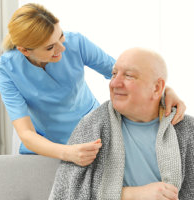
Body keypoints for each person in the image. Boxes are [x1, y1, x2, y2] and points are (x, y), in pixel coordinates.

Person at [0, 3, 185, 166]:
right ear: (24, 50)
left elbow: (122, 73)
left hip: (92, 131)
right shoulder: (6, 69)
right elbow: (25, 133)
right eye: (50, 47)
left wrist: (163, 90)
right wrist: (67, 153)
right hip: (47, 144)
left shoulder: (76, 42)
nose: (62, 48)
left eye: (60, 36)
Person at [49, 48, 193, 200]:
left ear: (157, 88)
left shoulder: (187, 130)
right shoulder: (91, 127)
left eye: (129, 76)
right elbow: (65, 193)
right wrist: (131, 195)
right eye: (113, 74)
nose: (114, 83)